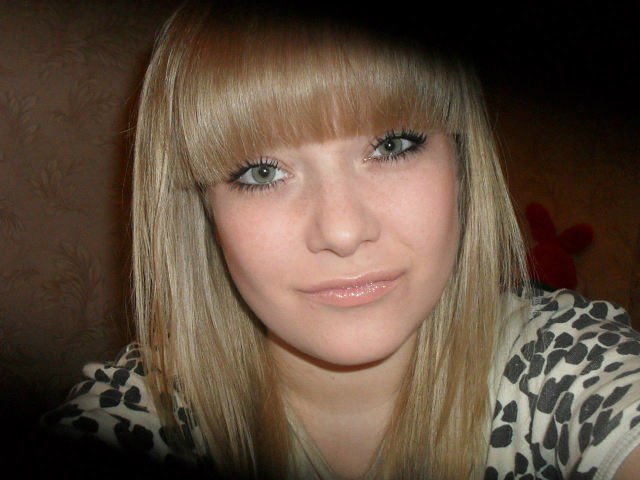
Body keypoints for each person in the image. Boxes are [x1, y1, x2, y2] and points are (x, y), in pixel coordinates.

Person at [41, 1, 640, 479]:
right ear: (202, 210)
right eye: (262, 172)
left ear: (460, 161)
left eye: (393, 145)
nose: (344, 231)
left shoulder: (567, 368)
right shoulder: (138, 416)